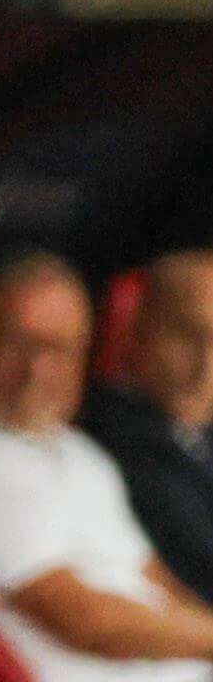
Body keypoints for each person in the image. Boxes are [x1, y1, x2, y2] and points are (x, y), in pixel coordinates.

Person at [0, 256, 213, 682]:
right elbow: (84, 620)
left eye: (58, 350)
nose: (36, 372)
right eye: (18, 345)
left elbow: (160, 586)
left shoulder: (78, 453)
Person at [82, 255, 213, 610]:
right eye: (187, 335)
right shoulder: (110, 433)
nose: (205, 365)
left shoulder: (194, 430)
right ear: (139, 331)